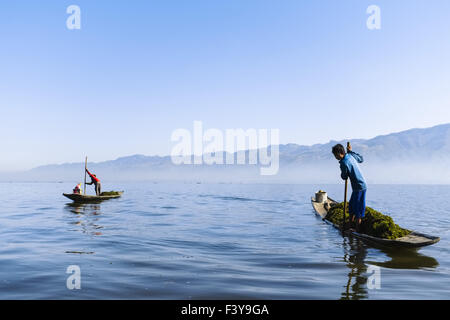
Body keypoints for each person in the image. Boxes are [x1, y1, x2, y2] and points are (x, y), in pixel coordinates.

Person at [332, 143, 367, 231]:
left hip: (359, 187)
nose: (335, 157)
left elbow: (344, 176)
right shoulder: (350, 155)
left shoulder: (343, 163)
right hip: (359, 186)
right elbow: (361, 159)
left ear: (339, 153)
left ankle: (357, 230)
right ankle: (350, 226)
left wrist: (342, 173)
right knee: (351, 206)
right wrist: (351, 151)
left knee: (358, 209)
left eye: (335, 155)